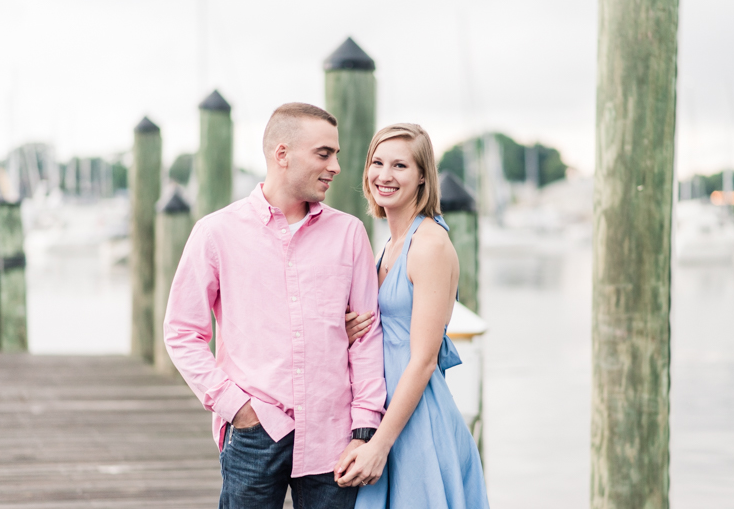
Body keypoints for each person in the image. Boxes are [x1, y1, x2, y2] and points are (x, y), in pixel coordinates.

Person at [164, 102, 386, 509]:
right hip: (254, 431)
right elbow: (181, 332)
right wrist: (237, 407)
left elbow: (366, 336)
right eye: (324, 153)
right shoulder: (215, 233)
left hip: (333, 438)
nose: (336, 166)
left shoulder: (350, 233)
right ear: (281, 154)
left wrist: (366, 425)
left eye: (336, 154)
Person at [335, 124, 490, 508]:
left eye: (400, 165)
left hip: (416, 423)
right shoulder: (390, 244)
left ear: (423, 175)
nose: (384, 176)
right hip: (385, 414)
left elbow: (422, 359)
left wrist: (379, 445)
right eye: (378, 162)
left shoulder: (430, 245)